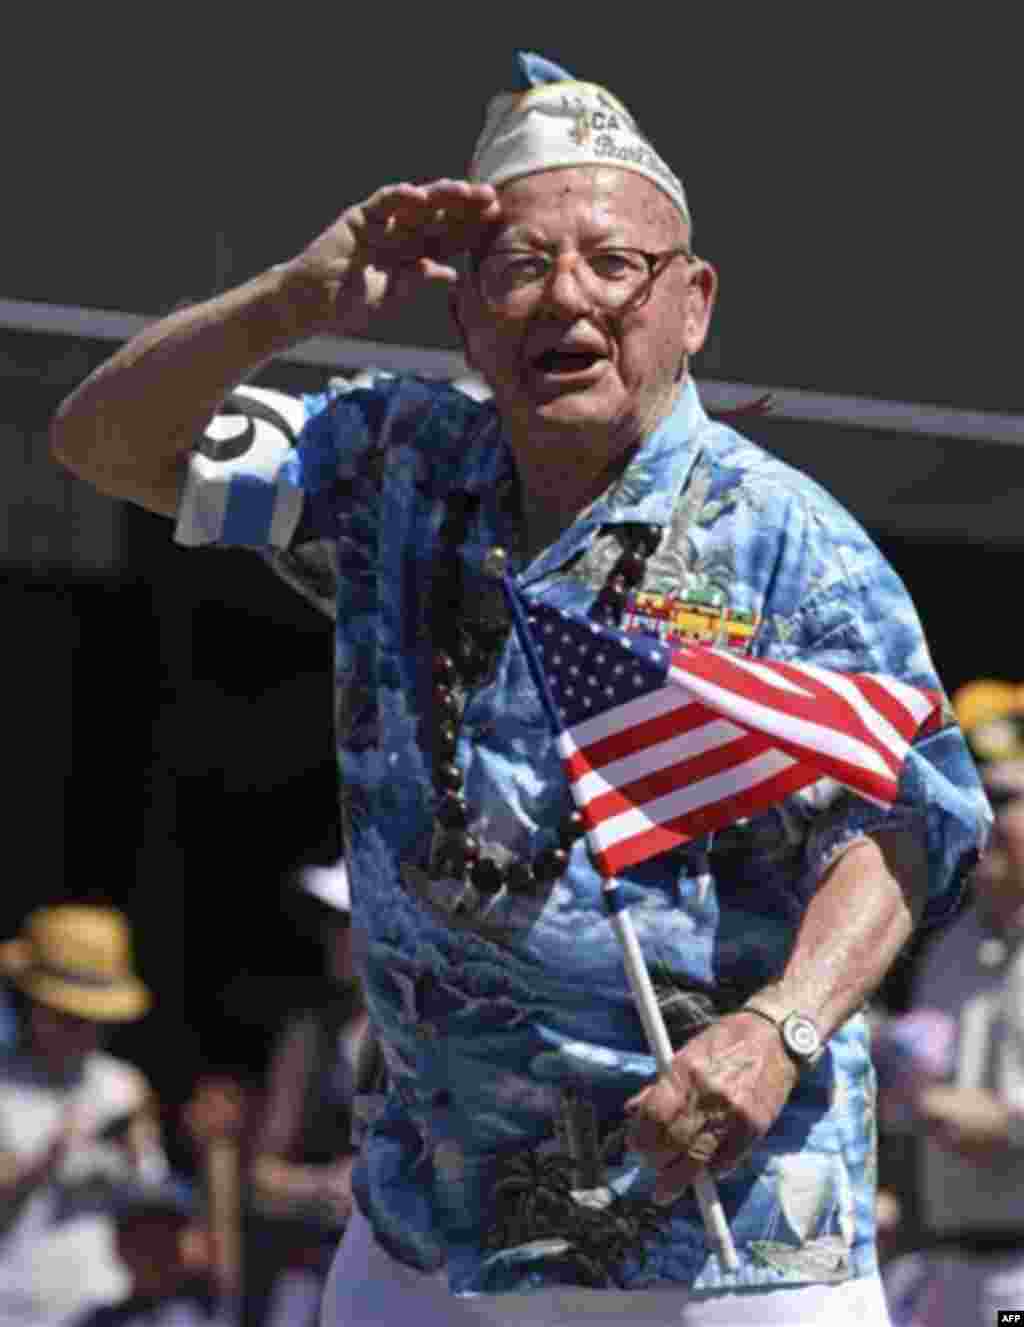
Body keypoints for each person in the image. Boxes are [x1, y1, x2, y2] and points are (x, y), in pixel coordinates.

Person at [51, 48, 989, 1327]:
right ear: (465, 314)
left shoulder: (785, 538)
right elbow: (101, 444)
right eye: (520, 266)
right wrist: (292, 298)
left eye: (615, 265)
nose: (569, 300)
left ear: (693, 302)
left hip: (718, 1224)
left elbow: (910, 811)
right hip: (429, 1221)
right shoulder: (390, 454)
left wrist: (780, 1030)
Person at [877, 684, 1024, 1326]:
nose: (981, 818)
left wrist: (927, 1102)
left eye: (1003, 799)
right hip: (939, 1267)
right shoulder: (947, 942)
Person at [0, 904, 167, 1325]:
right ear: (30, 1004)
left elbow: (151, 1197)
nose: (82, 1032)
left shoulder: (124, 1085)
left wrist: (137, 1156)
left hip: (107, 1305)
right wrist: (43, 1160)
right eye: (66, 1017)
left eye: (94, 1019)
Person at [247, 861, 380, 1327]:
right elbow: (262, 1178)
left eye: (350, 921)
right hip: (313, 1276)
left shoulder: (427, 1041)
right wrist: (324, 1186)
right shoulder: (307, 1037)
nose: (336, 936)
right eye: (332, 922)